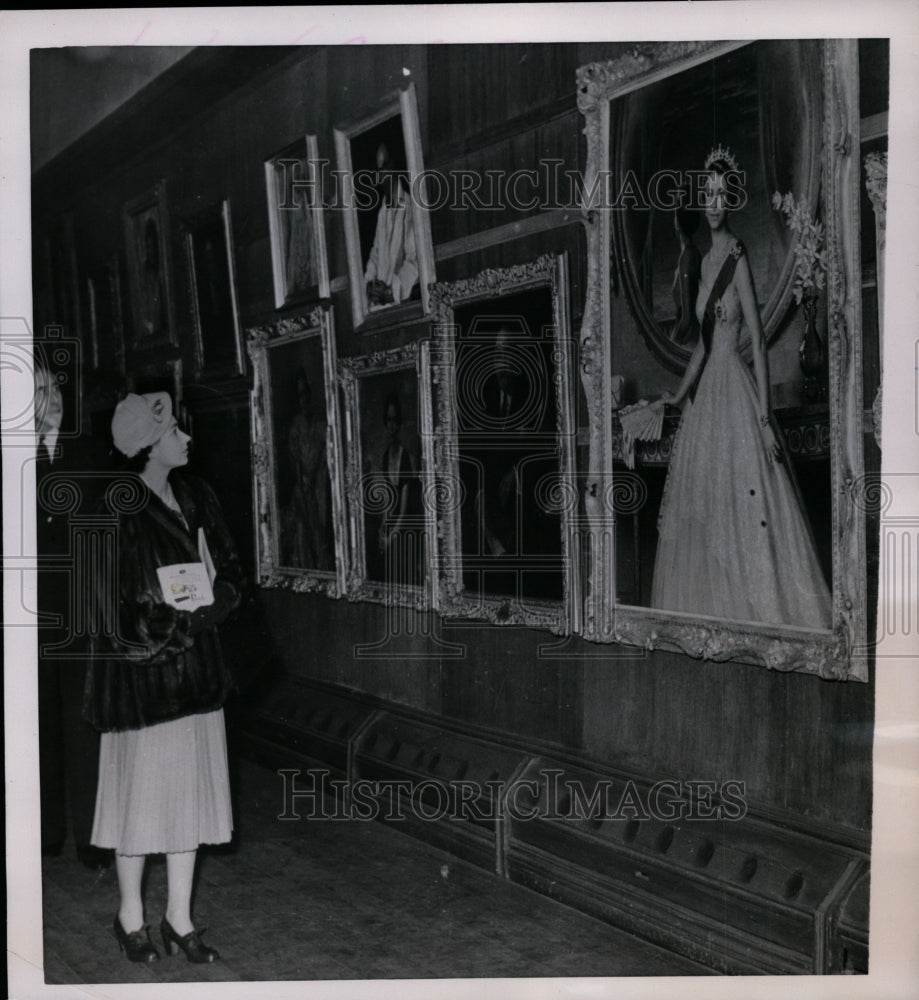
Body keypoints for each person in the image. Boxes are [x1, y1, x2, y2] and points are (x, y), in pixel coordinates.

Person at [83, 391, 244, 963]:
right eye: (174, 430)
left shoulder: (196, 494)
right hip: (143, 682)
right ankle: (130, 915)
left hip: (196, 676)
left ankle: (179, 917)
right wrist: (172, 627)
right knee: (139, 803)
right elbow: (105, 603)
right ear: (148, 447)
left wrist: (215, 605)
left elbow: (228, 565)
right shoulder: (115, 507)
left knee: (188, 802)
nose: (185, 438)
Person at [647, 149, 831, 628]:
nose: (713, 203)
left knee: (746, 513)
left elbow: (760, 337)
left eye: (721, 195)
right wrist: (676, 392)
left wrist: (767, 421)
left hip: (738, 392)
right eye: (706, 195)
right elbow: (702, 350)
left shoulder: (735, 254)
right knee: (706, 515)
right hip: (708, 392)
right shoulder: (703, 261)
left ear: (731, 201)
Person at [34, 364, 111, 868]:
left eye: (55, 387)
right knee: (36, 725)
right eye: (39, 390)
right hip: (29, 615)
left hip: (80, 611)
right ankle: (44, 833)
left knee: (84, 724)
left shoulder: (88, 450)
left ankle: (92, 838)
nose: (52, 397)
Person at [283, 368, 332, 570]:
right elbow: (294, 460)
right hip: (302, 490)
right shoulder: (295, 426)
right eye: (299, 395)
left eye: (305, 394)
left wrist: (316, 478)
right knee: (304, 532)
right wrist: (303, 480)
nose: (303, 400)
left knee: (320, 530)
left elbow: (324, 456)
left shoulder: (320, 424)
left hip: (318, 487)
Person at [363, 142, 418, 310]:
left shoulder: (410, 206)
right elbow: (375, 255)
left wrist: (390, 291)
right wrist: (369, 285)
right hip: (379, 307)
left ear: (393, 166)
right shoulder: (383, 211)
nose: (380, 177)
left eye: (384, 168)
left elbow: (414, 261)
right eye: (378, 171)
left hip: (401, 304)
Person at [374, 392, 421, 585]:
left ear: (399, 423)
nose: (392, 426)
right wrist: (383, 528)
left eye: (395, 420)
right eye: (388, 420)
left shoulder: (407, 457)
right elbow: (387, 501)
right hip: (393, 523)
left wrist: (392, 536)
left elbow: (403, 509)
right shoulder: (386, 457)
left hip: (407, 526)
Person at [669, 191, 701, 345]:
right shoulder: (692, 252)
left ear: (677, 222)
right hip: (692, 334)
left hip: (689, 338)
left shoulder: (687, 257)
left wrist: (672, 343)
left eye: (675, 214)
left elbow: (687, 317)